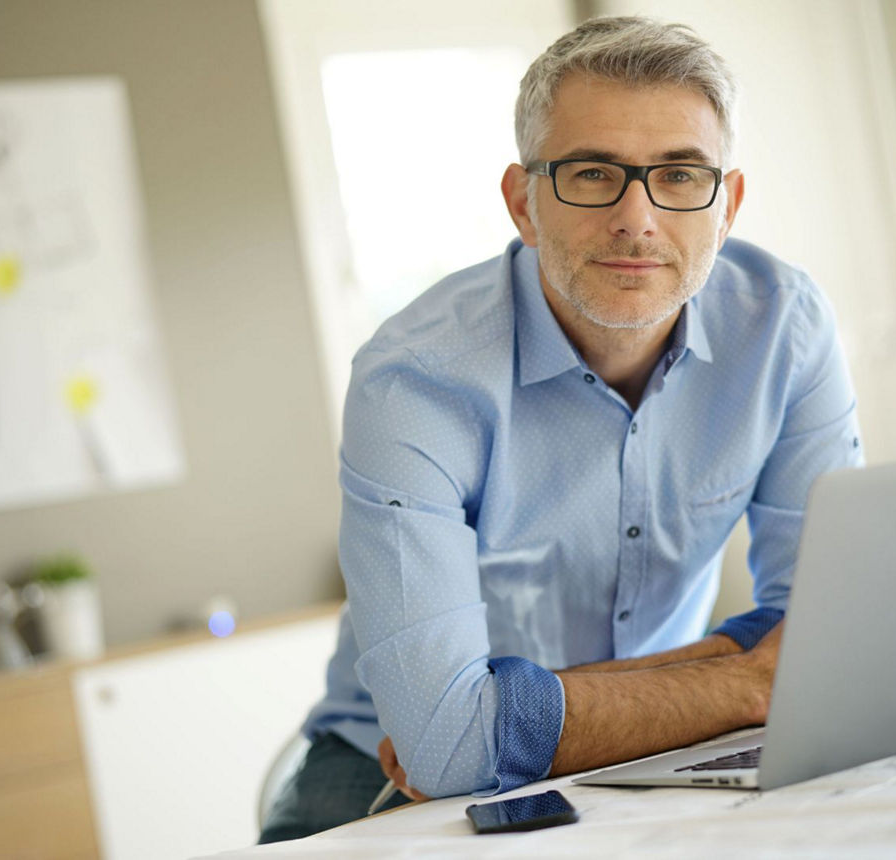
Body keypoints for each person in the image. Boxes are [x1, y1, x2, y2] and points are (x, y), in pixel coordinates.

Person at [259, 15, 863, 843]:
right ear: (524, 202)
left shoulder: (785, 327)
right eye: (591, 174)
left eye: (681, 176)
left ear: (728, 205)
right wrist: (748, 680)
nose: (638, 218)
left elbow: (832, 630)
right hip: (376, 782)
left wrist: (510, 715)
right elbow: (441, 749)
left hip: (656, 753)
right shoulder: (414, 381)